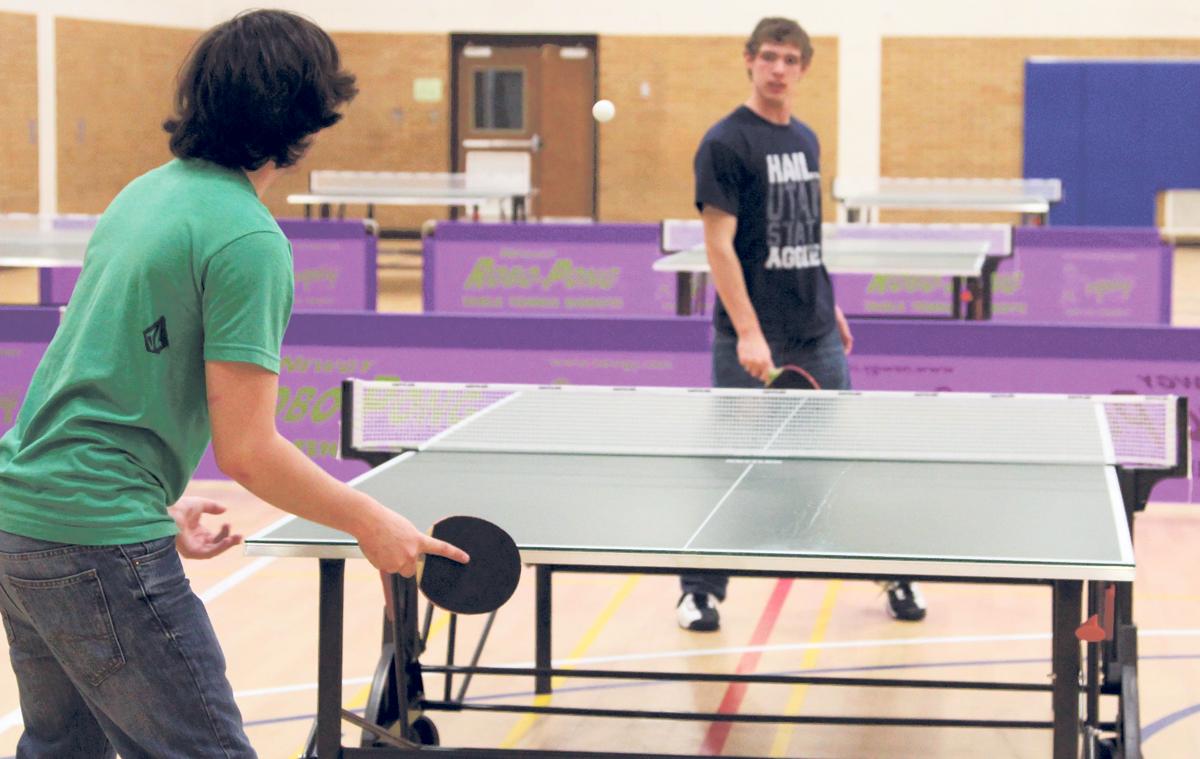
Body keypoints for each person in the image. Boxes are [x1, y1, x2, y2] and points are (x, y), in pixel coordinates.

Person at [0, 11, 467, 757]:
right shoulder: (248, 240)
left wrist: (155, 496)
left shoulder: (144, 195)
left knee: (61, 750)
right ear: (305, 117)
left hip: (23, 515)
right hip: (95, 528)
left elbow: (89, 378)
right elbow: (248, 451)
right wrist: (370, 520)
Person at [676, 16, 926, 632]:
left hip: (815, 332)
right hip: (751, 339)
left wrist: (830, 300)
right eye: (768, 57)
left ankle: (893, 574)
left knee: (843, 458)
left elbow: (803, 235)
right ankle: (699, 592)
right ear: (748, 61)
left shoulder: (807, 140)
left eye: (790, 59)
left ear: (804, 68)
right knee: (734, 465)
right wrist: (749, 332)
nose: (778, 69)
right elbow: (719, 247)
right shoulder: (724, 143)